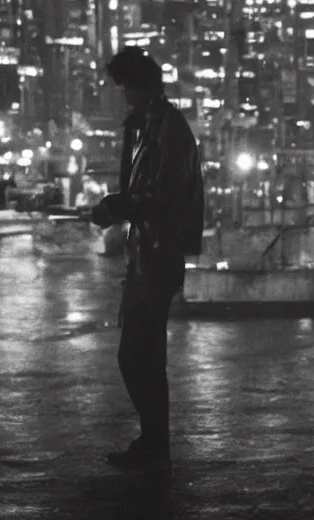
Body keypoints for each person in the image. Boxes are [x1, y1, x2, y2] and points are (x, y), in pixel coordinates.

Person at [92, 48, 204, 472]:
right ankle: (153, 442)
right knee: (140, 355)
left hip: (159, 256)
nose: (124, 96)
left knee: (140, 355)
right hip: (148, 255)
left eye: (126, 87)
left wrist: (116, 205)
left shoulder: (167, 129)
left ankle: (155, 445)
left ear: (140, 85)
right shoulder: (149, 126)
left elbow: (165, 195)